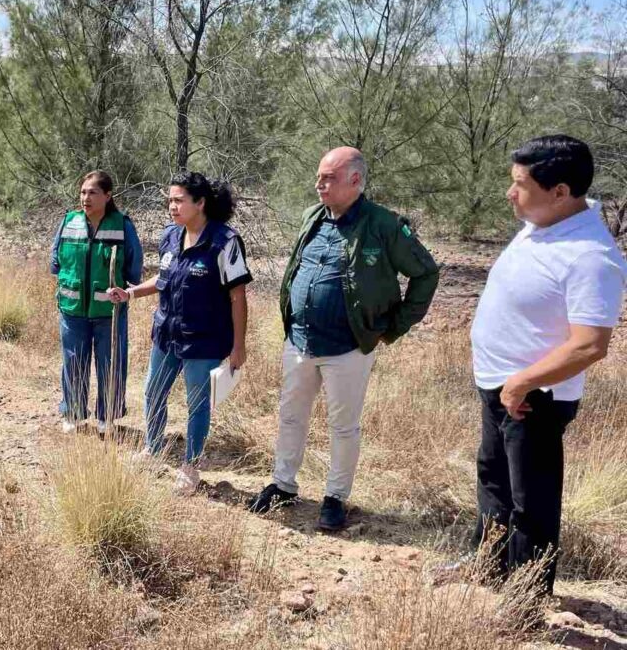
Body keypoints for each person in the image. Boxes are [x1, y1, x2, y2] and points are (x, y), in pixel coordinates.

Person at [460, 135, 624, 594]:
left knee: (531, 501)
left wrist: (522, 383)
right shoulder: (544, 222)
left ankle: (524, 602)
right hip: (501, 384)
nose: (510, 193)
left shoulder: (591, 257)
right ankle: (488, 572)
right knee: (494, 483)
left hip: (536, 396)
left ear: (560, 191)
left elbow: (590, 345)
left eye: (520, 184)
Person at [248, 147, 440, 530]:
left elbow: (426, 274)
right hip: (300, 340)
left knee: (343, 424)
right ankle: (283, 485)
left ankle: (335, 497)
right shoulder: (312, 217)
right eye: (319, 176)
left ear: (355, 180)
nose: (319, 184)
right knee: (290, 415)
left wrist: (395, 325)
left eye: (329, 178)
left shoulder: (383, 224)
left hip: (350, 345)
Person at [108, 172, 251, 495]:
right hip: (167, 333)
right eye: (170, 200)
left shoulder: (224, 242)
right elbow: (164, 279)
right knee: (152, 392)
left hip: (205, 339)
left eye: (179, 200)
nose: (172, 206)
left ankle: (190, 466)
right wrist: (130, 293)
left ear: (200, 203)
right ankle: (152, 449)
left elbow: (238, 296)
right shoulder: (171, 235)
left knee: (197, 403)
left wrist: (238, 345)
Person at [50, 170, 143, 435]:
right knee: (73, 361)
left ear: (108, 195)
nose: (85, 198)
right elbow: (56, 261)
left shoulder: (122, 224)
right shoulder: (69, 221)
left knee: (110, 363)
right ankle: (74, 413)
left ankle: (108, 417)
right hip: (73, 310)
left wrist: (123, 290)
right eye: (82, 192)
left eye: (92, 192)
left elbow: (134, 267)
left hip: (109, 311)